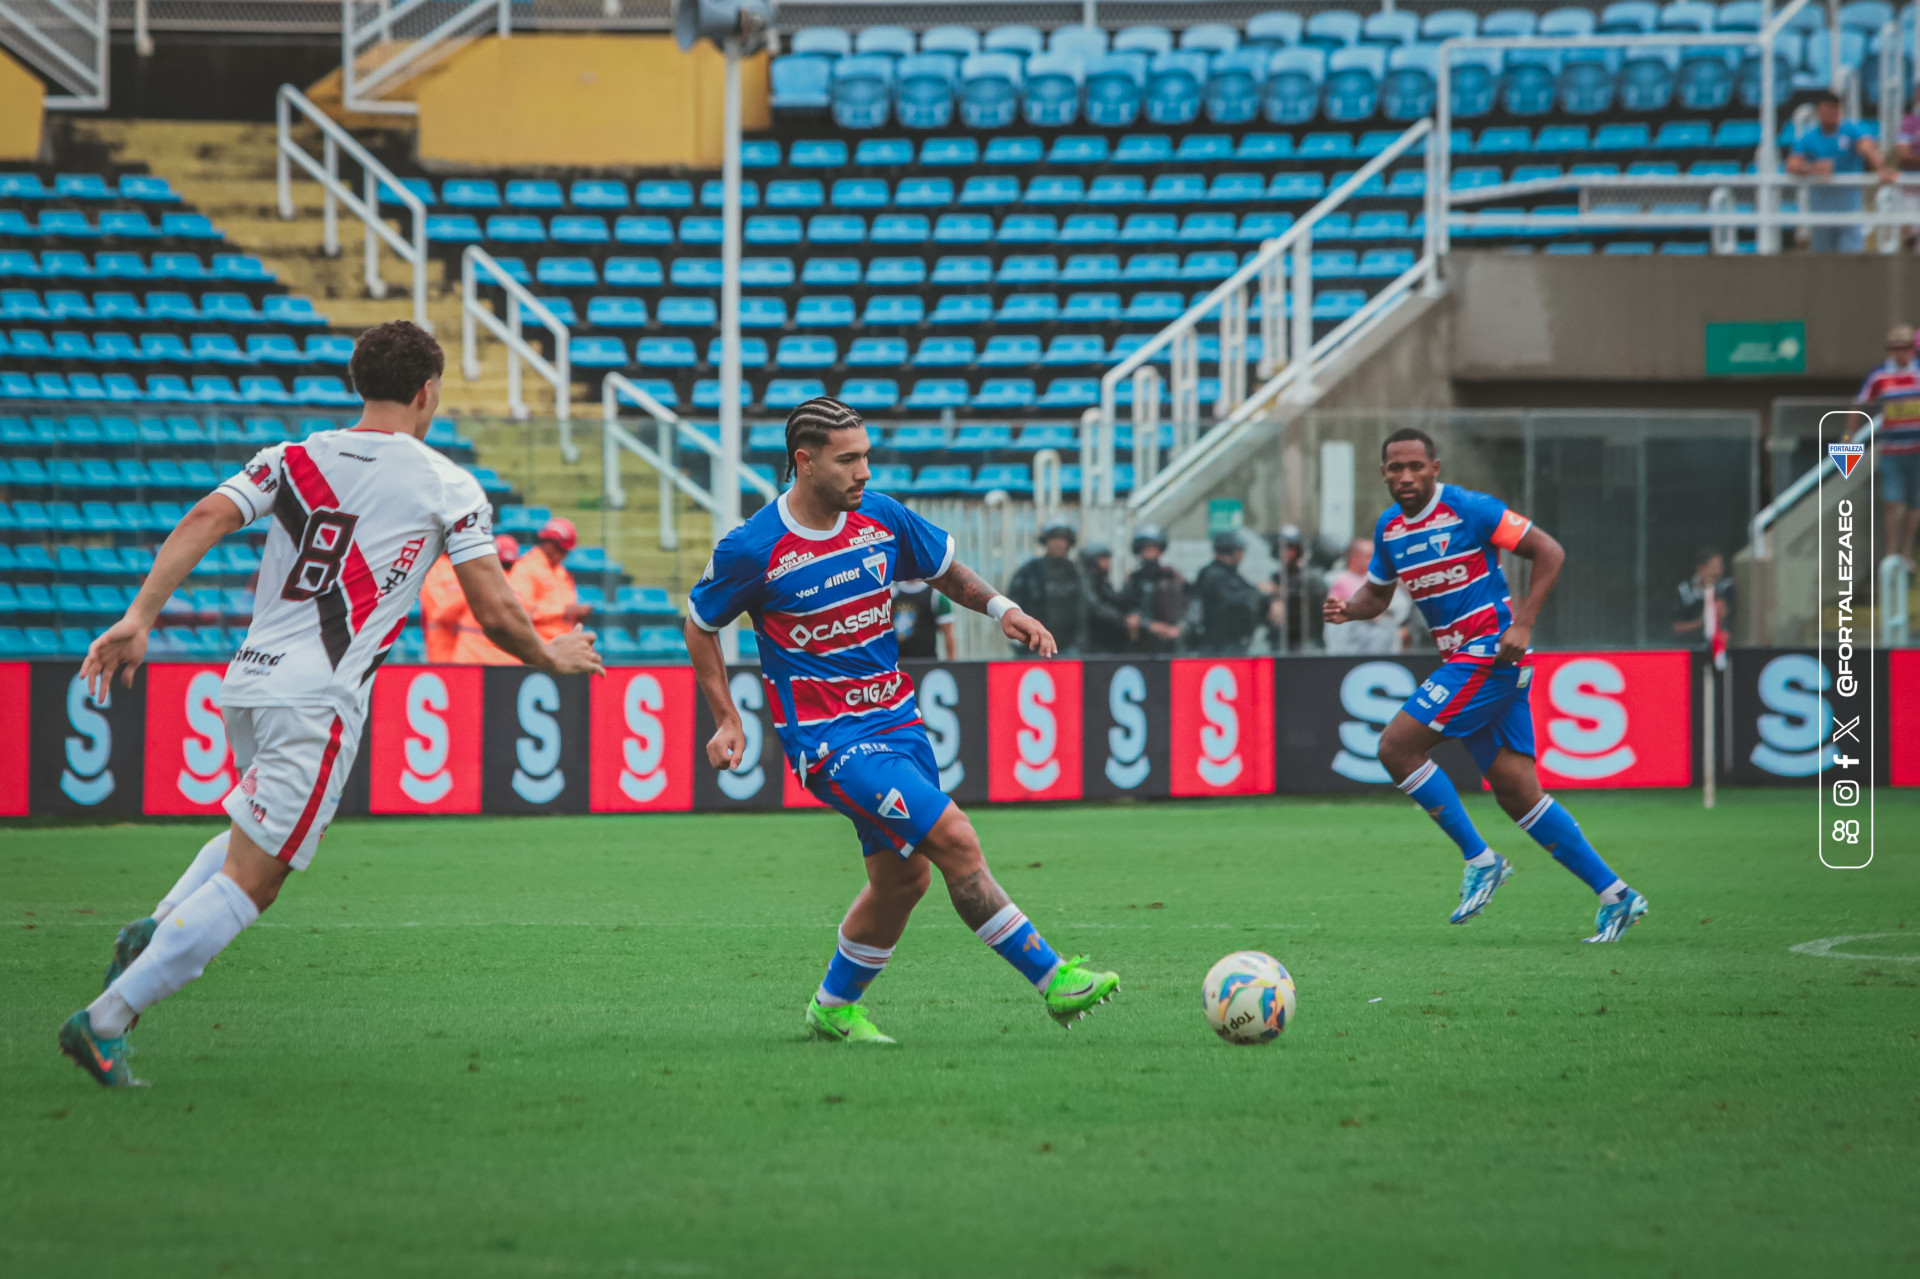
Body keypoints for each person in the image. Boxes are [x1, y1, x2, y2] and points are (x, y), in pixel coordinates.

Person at [60, 321, 603, 1087]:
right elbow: (496, 610)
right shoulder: (445, 482)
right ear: (427, 391)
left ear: (362, 384)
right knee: (260, 876)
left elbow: (204, 518)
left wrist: (140, 615)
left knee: (250, 830)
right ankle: (106, 1019)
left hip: (248, 679)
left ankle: (155, 927)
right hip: (318, 695)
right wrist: (551, 655)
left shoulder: (292, 457)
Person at [684, 397, 1118, 1046]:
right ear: (803, 463)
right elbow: (699, 622)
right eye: (848, 459)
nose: (864, 471)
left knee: (903, 880)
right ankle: (1052, 978)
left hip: (898, 724)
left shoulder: (879, 517)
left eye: (867, 456)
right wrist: (727, 717)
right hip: (831, 742)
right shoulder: (754, 548)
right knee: (955, 838)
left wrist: (1003, 609)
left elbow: (943, 570)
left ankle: (833, 1007)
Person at [1323, 427, 1649, 943]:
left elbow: (1550, 551)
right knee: (1518, 793)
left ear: (1435, 467)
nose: (1405, 476)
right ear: (1383, 473)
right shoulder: (1389, 529)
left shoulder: (1471, 509)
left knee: (1396, 747)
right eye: (1394, 468)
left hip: (1490, 653)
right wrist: (1348, 610)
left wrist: (1523, 622)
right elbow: (1377, 596)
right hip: (1468, 660)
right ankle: (1617, 896)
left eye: (1415, 466)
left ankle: (1481, 859)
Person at [1787, 90, 1895, 254]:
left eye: (1833, 109)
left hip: (1849, 210)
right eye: (1825, 109)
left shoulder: (1851, 131)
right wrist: (1812, 168)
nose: (1830, 113)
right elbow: (1792, 164)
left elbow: (1867, 148)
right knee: (1823, 263)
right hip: (1821, 210)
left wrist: (1880, 168)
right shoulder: (1810, 137)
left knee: (1850, 260)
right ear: (1818, 112)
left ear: (1840, 110)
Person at [1857, 325, 1920, 573]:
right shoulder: (1880, 375)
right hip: (1892, 450)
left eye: (1905, 347)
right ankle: (1891, 553)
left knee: (1915, 504)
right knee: (1892, 503)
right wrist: (1848, 439)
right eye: (1895, 348)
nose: (1901, 352)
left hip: (1917, 450)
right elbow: (1857, 405)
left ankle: (1905, 553)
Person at [420, 534, 522, 663]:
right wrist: (475, 590)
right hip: (442, 656)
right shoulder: (435, 568)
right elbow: (439, 614)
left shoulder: (473, 565)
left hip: (469, 656)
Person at [1007, 523, 1090, 653]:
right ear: (1046, 542)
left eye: (1062, 540)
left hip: (1068, 646)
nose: (1058, 544)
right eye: (1054, 539)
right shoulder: (1030, 570)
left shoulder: (1076, 572)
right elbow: (1013, 602)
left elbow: (1085, 606)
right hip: (1033, 645)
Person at [1192, 529, 1279, 654]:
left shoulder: (1233, 575)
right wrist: (1260, 591)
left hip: (1235, 644)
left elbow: (1250, 593)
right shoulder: (1212, 575)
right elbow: (1233, 600)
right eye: (1239, 550)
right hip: (1217, 647)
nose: (1242, 555)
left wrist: (1271, 602)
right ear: (1229, 551)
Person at [508, 516, 591, 642]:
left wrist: (576, 615)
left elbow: (564, 609)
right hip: (538, 647)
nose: (564, 555)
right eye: (562, 549)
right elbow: (521, 611)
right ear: (550, 543)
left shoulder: (561, 571)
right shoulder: (526, 568)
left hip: (563, 644)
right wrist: (563, 610)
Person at [1324, 537, 1410, 654]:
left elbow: (1400, 607)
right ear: (1354, 558)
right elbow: (1369, 608)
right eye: (1369, 556)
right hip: (1351, 652)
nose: (1375, 561)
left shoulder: (1375, 579)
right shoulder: (1340, 580)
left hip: (1383, 651)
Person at [1121, 524, 1186, 654]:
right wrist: (1150, 626)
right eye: (1146, 549)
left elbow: (1188, 604)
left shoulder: (1172, 577)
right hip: (1143, 644)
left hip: (1171, 643)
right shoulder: (1134, 580)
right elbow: (1128, 611)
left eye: (1153, 549)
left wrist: (1181, 628)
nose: (1150, 553)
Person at [1268, 525, 1326, 652]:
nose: (1286, 552)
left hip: (1307, 641)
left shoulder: (1311, 576)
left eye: (1290, 548)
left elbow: (1318, 612)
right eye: (1282, 548)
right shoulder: (1277, 576)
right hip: (1283, 642)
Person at [1080, 542, 1133, 654]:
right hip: (1092, 643)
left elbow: (1114, 600)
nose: (1108, 563)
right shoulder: (1085, 582)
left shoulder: (1103, 582)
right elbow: (1094, 607)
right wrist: (1123, 620)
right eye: (1103, 559)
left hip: (1107, 641)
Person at [1673, 548, 1733, 646]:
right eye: (1713, 568)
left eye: (1720, 567)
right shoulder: (1684, 591)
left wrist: (1711, 591)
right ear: (1701, 568)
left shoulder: (1726, 588)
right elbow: (1676, 628)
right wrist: (1700, 622)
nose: (1717, 572)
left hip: (1720, 646)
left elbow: (1726, 615)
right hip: (1691, 646)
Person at [890, 579, 955, 660]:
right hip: (896, 663)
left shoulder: (935, 596)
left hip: (927, 663)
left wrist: (951, 664)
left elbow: (948, 633)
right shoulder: (891, 592)